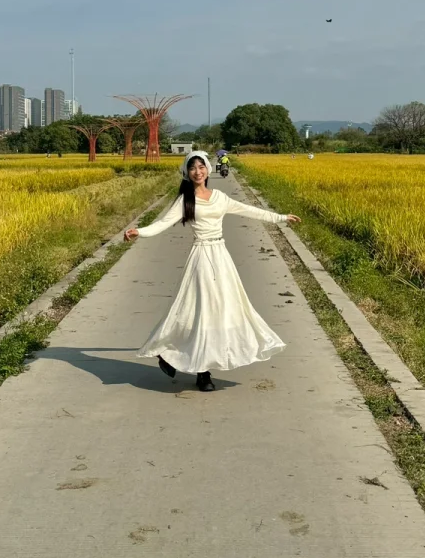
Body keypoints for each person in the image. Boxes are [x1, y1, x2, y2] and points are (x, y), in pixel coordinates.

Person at [124, 150, 301, 391]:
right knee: (202, 312)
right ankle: (202, 372)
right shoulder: (185, 201)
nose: (198, 172)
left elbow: (249, 210)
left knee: (225, 309)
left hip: (221, 257)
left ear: (208, 169)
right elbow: (163, 223)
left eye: (201, 167)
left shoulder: (220, 197)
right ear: (187, 173)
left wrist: (280, 217)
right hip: (201, 257)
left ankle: (181, 358)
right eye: (193, 168)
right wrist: (139, 232)